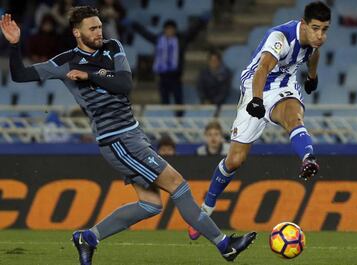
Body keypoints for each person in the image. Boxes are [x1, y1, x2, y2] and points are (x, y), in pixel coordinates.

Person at [0, 8, 256, 265]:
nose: (99, 32)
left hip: (133, 133)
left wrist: (89, 75)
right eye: (92, 29)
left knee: (150, 204)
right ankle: (225, 246)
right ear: (77, 33)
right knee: (177, 184)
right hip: (116, 138)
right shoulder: (65, 62)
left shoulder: (113, 47)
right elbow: (20, 75)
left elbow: (124, 84)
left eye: (99, 26)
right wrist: (15, 45)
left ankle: (88, 238)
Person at [188, 1, 329, 240]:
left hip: (285, 86)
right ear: (303, 24)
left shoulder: (313, 41)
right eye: (315, 28)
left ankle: (308, 157)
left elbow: (314, 54)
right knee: (235, 160)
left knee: (293, 115)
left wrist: (312, 77)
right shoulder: (281, 37)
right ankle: (204, 213)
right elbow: (262, 69)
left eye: (325, 29)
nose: (320, 35)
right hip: (257, 86)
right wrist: (255, 100)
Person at [131, 17, 208, 115]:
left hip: (176, 77)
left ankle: (180, 120)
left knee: (178, 101)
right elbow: (147, 35)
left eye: (171, 29)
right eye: (167, 29)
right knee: (165, 102)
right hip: (163, 77)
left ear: (175, 30)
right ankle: (167, 120)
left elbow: (191, 32)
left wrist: (201, 21)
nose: (169, 31)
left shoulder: (180, 40)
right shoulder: (159, 39)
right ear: (164, 30)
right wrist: (136, 26)